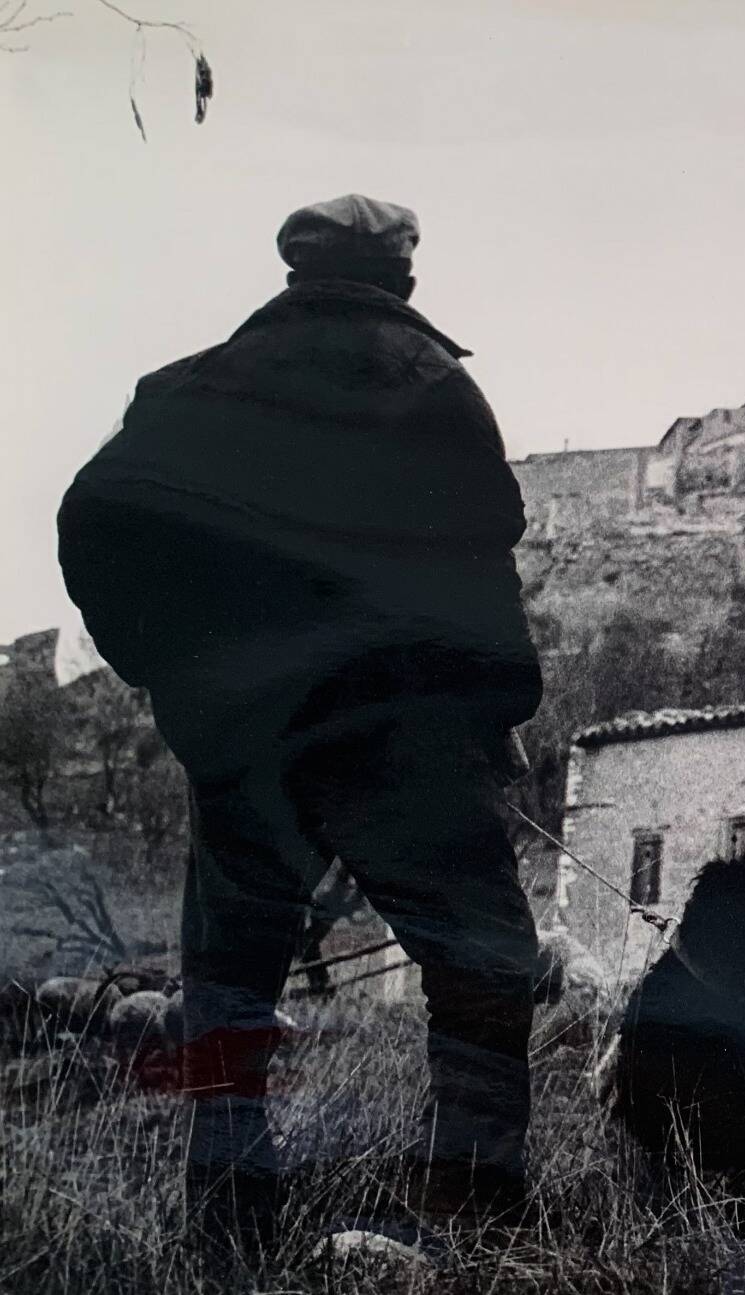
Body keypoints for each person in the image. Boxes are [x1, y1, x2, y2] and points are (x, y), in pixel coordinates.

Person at [57, 195, 543, 1256]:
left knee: (230, 984)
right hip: (402, 738)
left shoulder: (188, 388)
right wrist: (494, 709)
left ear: (294, 273)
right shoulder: (430, 384)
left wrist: (171, 666)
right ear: (401, 276)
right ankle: (472, 1204)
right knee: (489, 966)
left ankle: (226, 1229)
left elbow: (92, 516)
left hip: (243, 740)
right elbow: (477, 556)